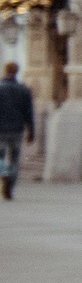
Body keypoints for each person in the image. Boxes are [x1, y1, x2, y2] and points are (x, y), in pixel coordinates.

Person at [0, 61, 34, 200]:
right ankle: (10, 187)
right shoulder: (24, 89)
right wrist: (31, 131)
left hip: (1, 130)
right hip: (18, 130)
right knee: (14, 159)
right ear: (17, 72)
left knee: (0, 157)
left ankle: (4, 172)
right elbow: (29, 112)